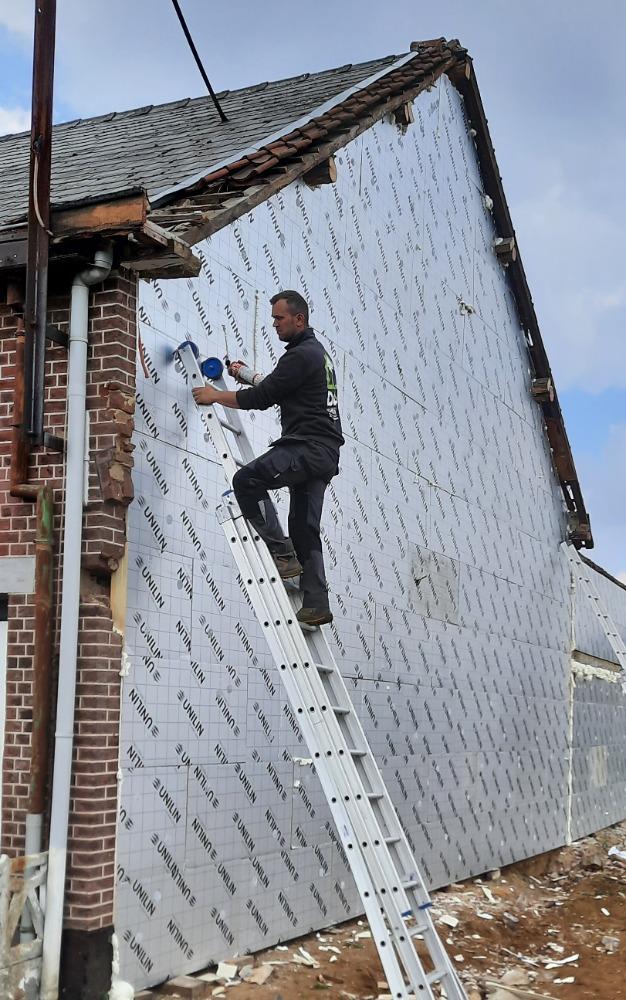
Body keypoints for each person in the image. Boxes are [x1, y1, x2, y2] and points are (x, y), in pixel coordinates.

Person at [192, 290, 344, 627]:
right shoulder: (315, 354)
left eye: (279, 318)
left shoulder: (301, 355)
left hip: (307, 447)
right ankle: (316, 603)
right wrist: (242, 373)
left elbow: (264, 397)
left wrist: (215, 396)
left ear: (299, 319)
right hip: (324, 454)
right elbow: (274, 385)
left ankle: (282, 553)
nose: (274, 324)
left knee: (246, 481)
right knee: (305, 528)